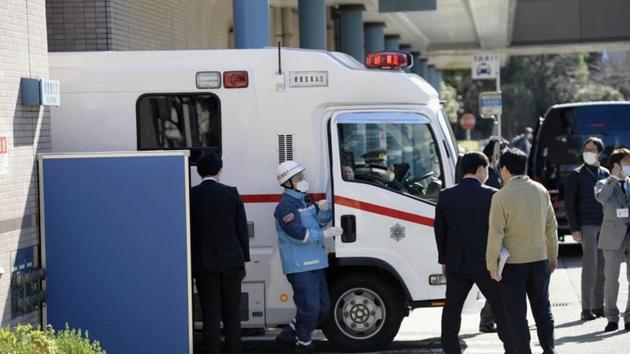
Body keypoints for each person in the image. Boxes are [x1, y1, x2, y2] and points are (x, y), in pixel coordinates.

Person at [434, 151, 511, 354]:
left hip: (456, 263)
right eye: (486, 169)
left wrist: (444, 259)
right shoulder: (493, 194)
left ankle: (451, 350)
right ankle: (511, 348)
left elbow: (440, 231)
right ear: (480, 170)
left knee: (452, 310)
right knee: (500, 309)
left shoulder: (445, 195)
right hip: (486, 263)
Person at [487, 148, 558, 354]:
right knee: (543, 310)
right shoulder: (541, 190)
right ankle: (549, 349)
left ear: (506, 169)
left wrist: (492, 265)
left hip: (512, 265)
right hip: (539, 260)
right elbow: (550, 228)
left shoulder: (501, 196)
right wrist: (552, 255)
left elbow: (495, 234)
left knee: (516, 315)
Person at [273, 160, 344, 353]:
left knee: (323, 308)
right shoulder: (285, 206)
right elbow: (299, 234)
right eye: (298, 178)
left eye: (302, 176)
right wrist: (324, 236)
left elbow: (318, 223)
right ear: (287, 182)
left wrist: (323, 211)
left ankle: (288, 336)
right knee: (310, 308)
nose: (302, 180)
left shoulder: (305, 199)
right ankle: (303, 344)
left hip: (316, 262)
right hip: (299, 266)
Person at [190, 152, 250, 354]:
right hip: (232, 263)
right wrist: (244, 261)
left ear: (199, 172)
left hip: (204, 265)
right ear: (219, 170)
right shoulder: (231, 193)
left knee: (210, 314)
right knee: (232, 312)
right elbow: (241, 229)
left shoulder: (191, 195)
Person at [564, 137, 608, 321]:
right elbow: (570, 204)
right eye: (586, 149)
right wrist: (574, 228)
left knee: (603, 267)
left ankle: (599, 306)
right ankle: (586, 308)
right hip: (587, 225)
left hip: (606, 225)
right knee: (590, 267)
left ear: (599, 153)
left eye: (593, 149)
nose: (588, 152)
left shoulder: (605, 173)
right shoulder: (576, 174)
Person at [594, 147, 630, 332]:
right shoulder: (603, 183)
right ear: (616, 165)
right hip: (612, 237)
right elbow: (601, 198)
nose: (629, 166)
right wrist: (613, 178)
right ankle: (612, 317)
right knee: (611, 279)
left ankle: (629, 316)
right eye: (626, 162)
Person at [478, 136, 509, 331]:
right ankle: (488, 319)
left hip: (496, 230)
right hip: (492, 232)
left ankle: (489, 318)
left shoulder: (496, 173)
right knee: (496, 279)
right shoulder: (488, 175)